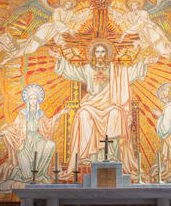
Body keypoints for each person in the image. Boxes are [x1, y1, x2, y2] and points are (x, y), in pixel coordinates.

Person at [51, 40, 156, 174]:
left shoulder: (115, 69)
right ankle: (87, 156)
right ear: (93, 54)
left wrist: (143, 63)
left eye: (102, 51)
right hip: (92, 104)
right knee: (83, 114)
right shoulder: (88, 69)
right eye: (97, 51)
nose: (100, 54)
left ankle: (111, 155)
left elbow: (129, 74)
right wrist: (60, 59)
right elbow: (72, 71)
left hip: (110, 103)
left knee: (116, 114)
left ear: (107, 54)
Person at [0, 84, 65, 182]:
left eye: (35, 98)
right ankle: (25, 174)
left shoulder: (40, 114)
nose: (33, 101)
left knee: (51, 145)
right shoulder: (22, 113)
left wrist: (60, 114)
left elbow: (49, 124)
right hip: (24, 142)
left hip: (38, 140)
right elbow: (14, 127)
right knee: (27, 176)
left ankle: (39, 173)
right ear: (27, 100)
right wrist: (1, 133)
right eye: (31, 98)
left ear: (37, 100)